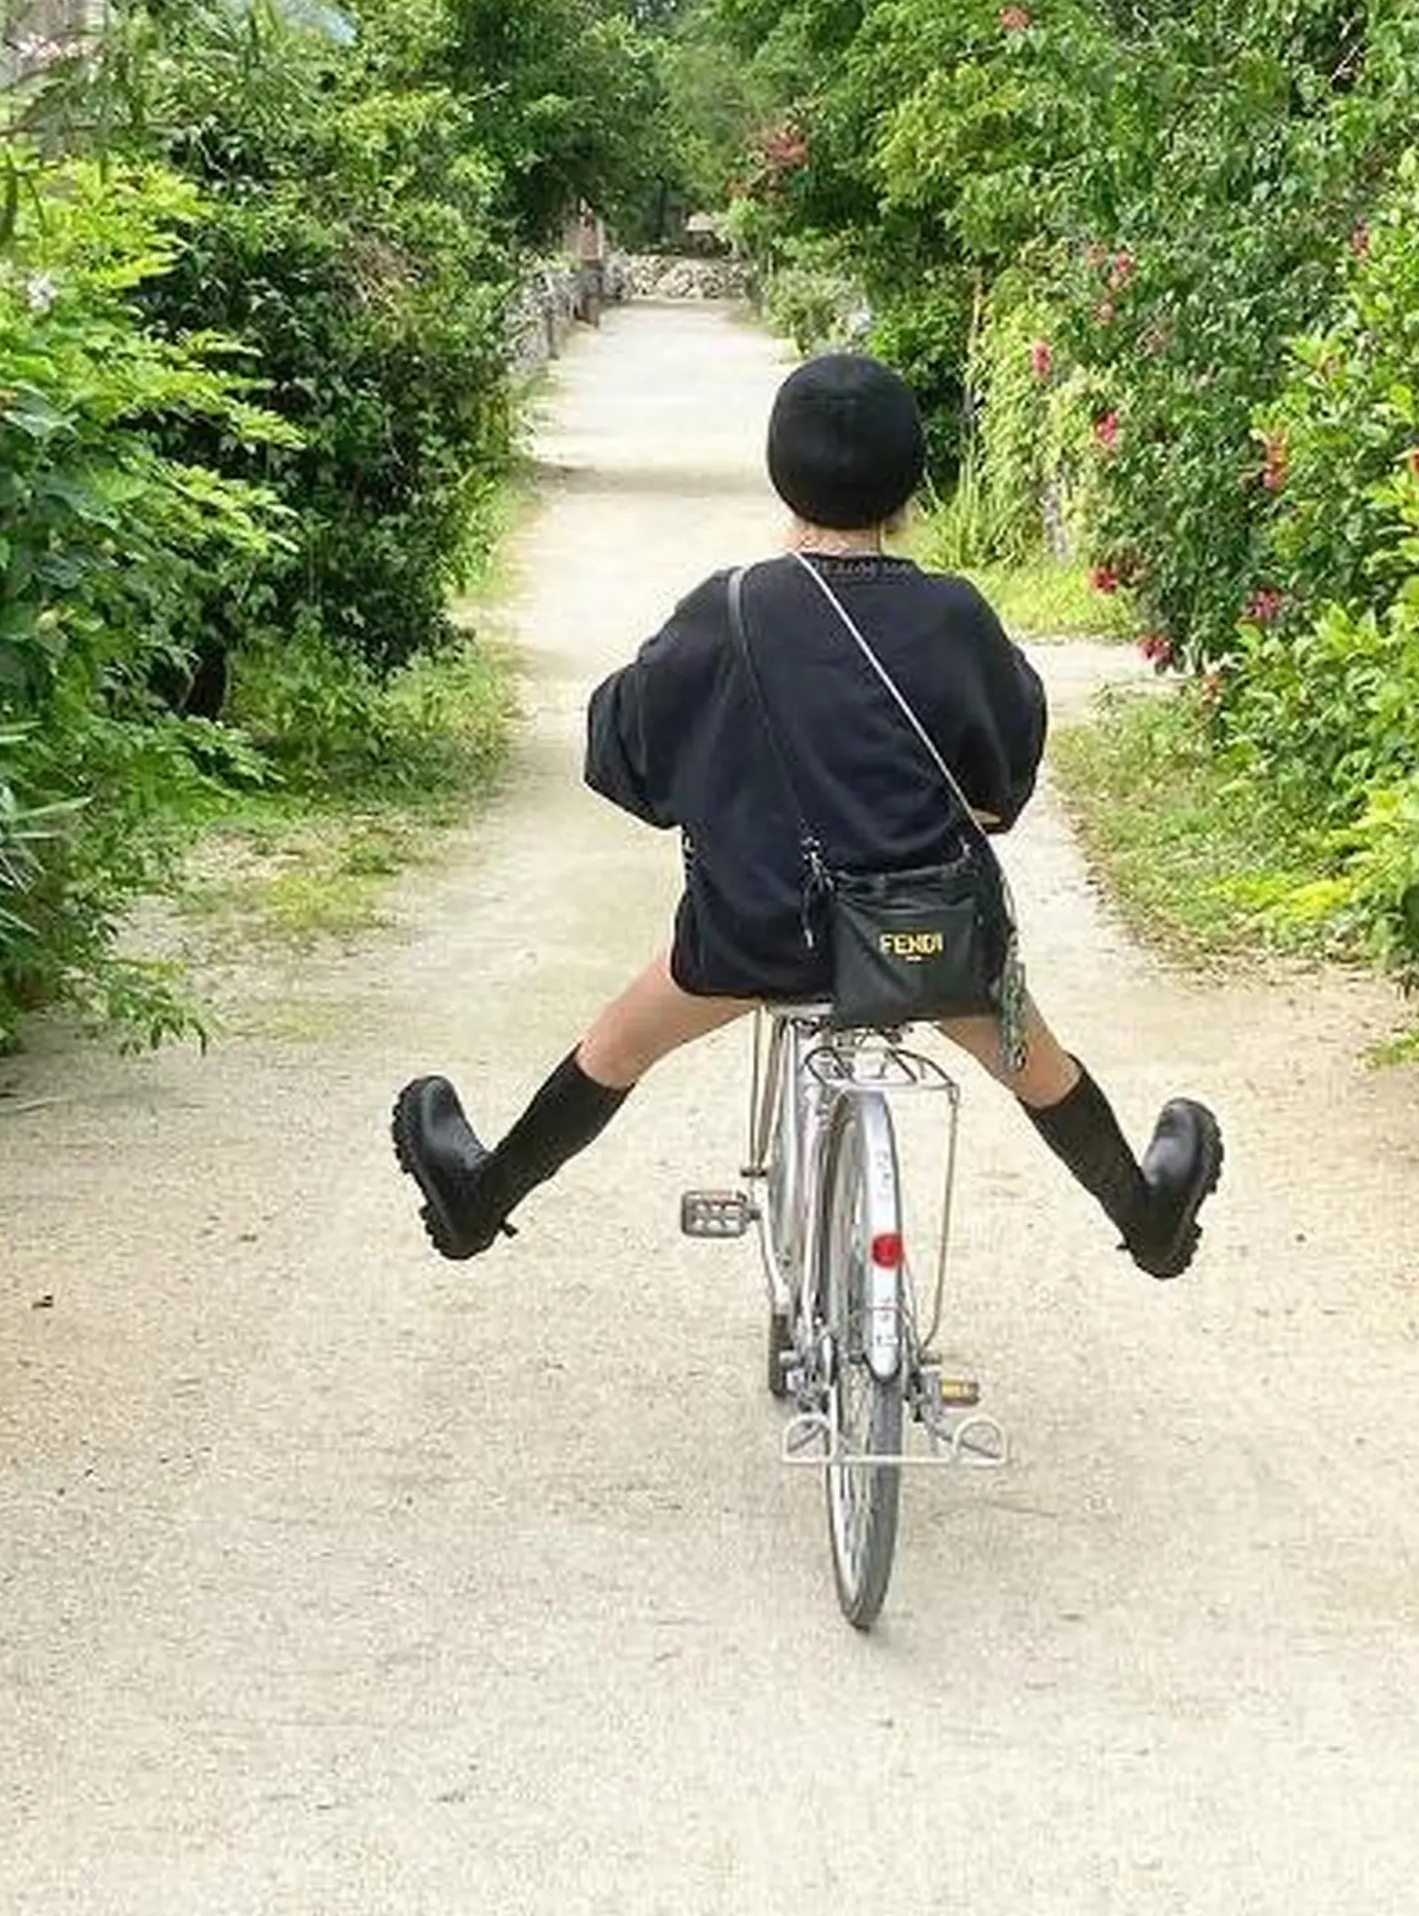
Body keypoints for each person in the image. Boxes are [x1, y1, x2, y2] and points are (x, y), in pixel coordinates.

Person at [389, 349, 1225, 1278]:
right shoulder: (954, 617)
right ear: (910, 486)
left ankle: (477, 1198)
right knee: (1033, 1057)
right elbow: (1007, 772)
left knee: (619, 1043)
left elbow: (624, 754)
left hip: (753, 937)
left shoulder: (730, 609)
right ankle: (1146, 1215)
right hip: (922, 943)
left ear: (781, 473)